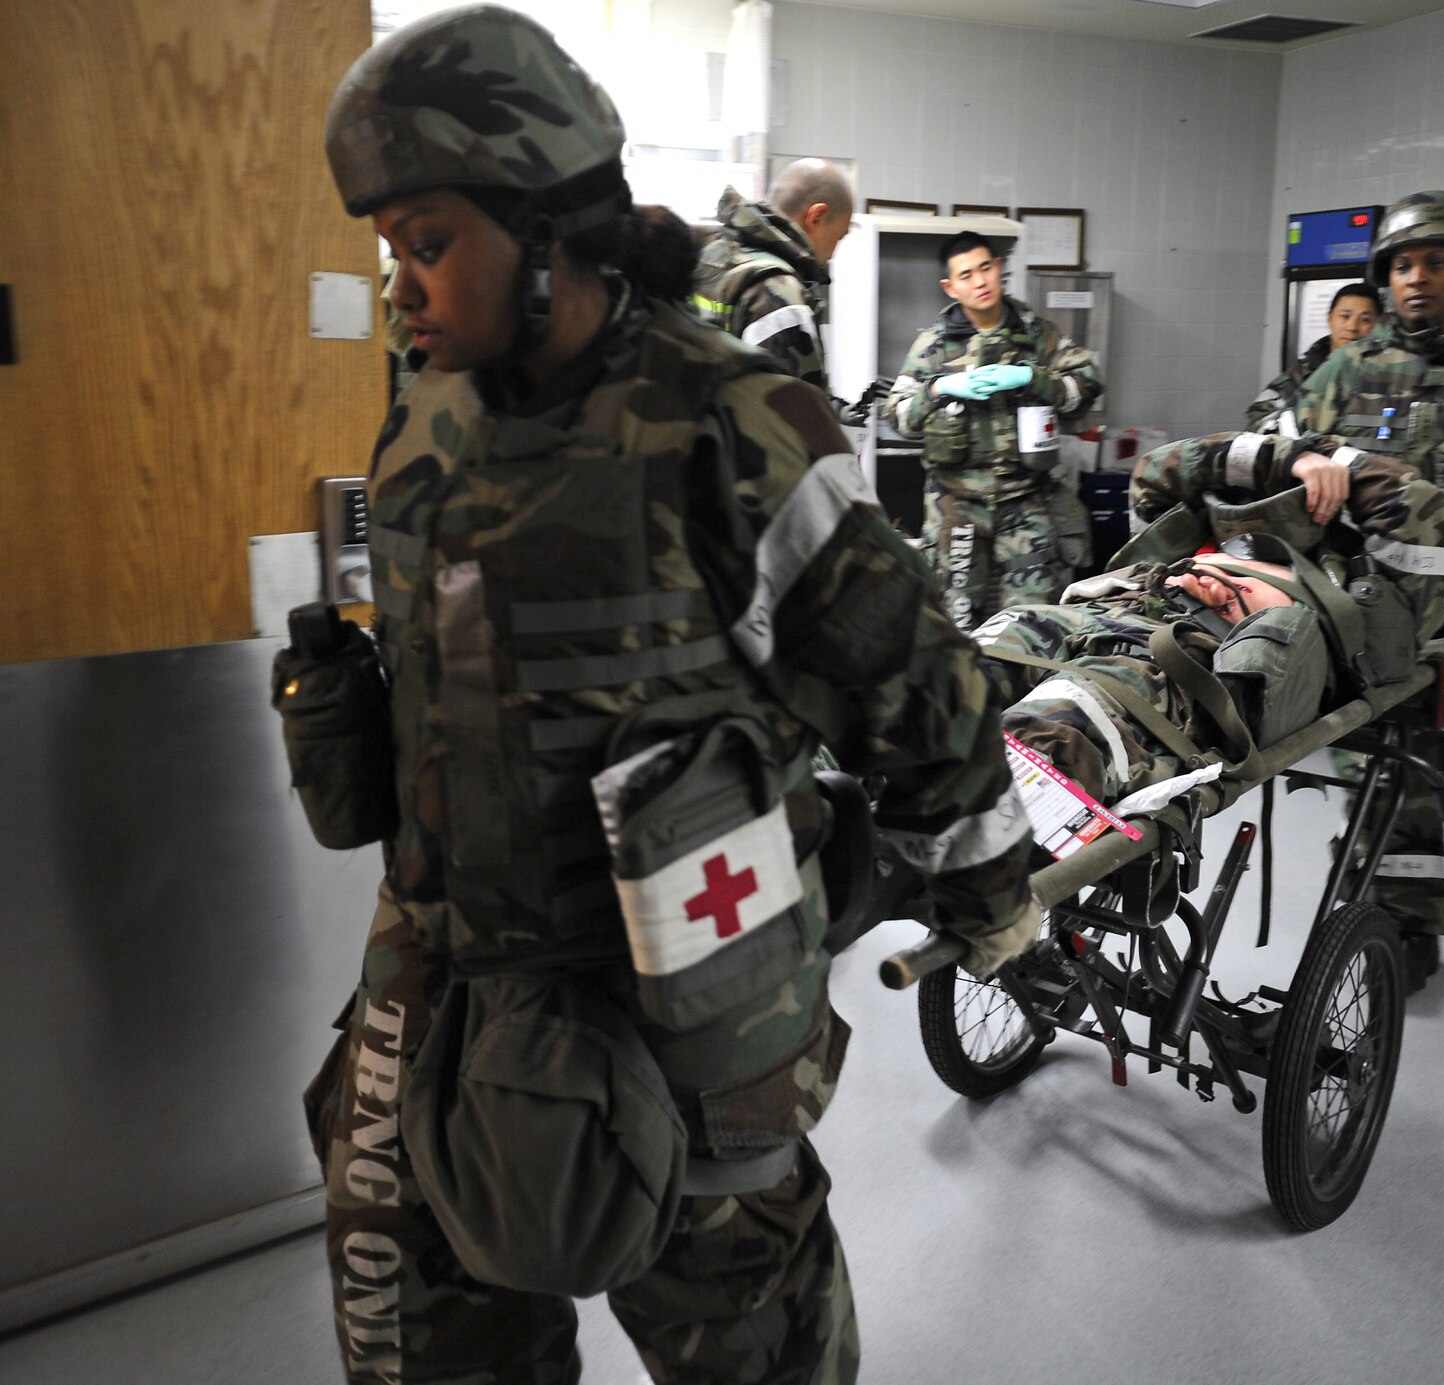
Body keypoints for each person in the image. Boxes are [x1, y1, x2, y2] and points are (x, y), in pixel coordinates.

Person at [296, 9, 1038, 1381]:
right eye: (393, 248)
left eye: (429, 243)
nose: (401, 287)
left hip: (678, 988)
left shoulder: (729, 420)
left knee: (750, 1339)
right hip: (444, 971)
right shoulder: (426, 407)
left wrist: (990, 894)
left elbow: (906, 675)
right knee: (416, 1337)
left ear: (546, 227)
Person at [1151, 190, 1444, 988]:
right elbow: (1268, 451)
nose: (1416, 278)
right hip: (1363, 612)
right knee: (1385, 765)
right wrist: (1302, 469)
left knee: (1423, 766)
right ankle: (1401, 921)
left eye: (1435, 261)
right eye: (1402, 265)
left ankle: (1386, 890)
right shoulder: (1344, 368)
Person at [984, 454, 1444, 805]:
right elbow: (1156, 469)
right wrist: (1289, 455)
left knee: (1065, 721)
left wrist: (1339, 462)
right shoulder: (1207, 530)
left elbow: (1416, 502)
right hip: (1111, 610)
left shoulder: (1358, 587)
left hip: (1189, 656)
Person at [885, 231, 1105, 630]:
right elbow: (898, 416)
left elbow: (1088, 384)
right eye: (966, 275)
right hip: (957, 504)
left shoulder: (1037, 335)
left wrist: (1032, 377)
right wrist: (938, 387)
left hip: (1026, 500)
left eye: (985, 268)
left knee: (1034, 622)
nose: (980, 282)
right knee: (955, 620)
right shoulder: (934, 345)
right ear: (950, 287)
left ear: (999, 268)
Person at [693, 159, 882, 418]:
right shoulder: (778, 290)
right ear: (816, 217)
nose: (833, 253)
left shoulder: (714, 254)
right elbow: (794, 420)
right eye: (838, 236)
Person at [1246, 282, 1382, 436]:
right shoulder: (1299, 377)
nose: (1352, 327)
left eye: (1365, 320)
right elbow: (1256, 427)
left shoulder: (1388, 374)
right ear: (1330, 319)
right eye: (1345, 316)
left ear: (1378, 326)